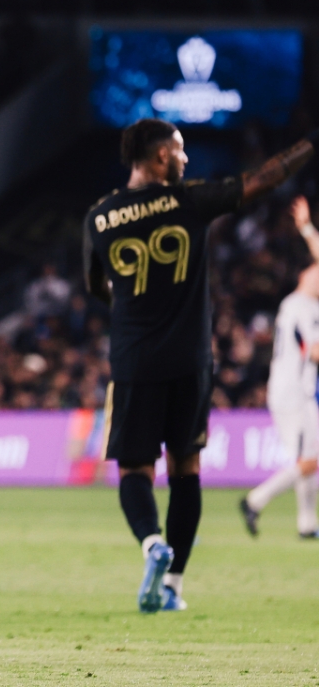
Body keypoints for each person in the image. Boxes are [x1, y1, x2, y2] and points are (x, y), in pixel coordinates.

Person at [84, 118, 317, 613]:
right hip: (189, 361)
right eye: (180, 149)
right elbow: (266, 178)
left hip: (134, 360)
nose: (186, 158)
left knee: (134, 469)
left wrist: (131, 307)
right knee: (185, 469)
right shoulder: (188, 201)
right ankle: (173, 585)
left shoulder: (99, 217)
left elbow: (96, 285)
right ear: (160, 156)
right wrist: (311, 143)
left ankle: (152, 543)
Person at [241, 198, 319, 539]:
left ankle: (307, 524)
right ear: (304, 275)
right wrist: (306, 229)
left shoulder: (298, 306)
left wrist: (307, 228)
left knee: (309, 456)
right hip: (294, 392)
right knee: (309, 460)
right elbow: (315, 352)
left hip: (292, 390)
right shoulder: (303, 307)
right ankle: (255, 500)